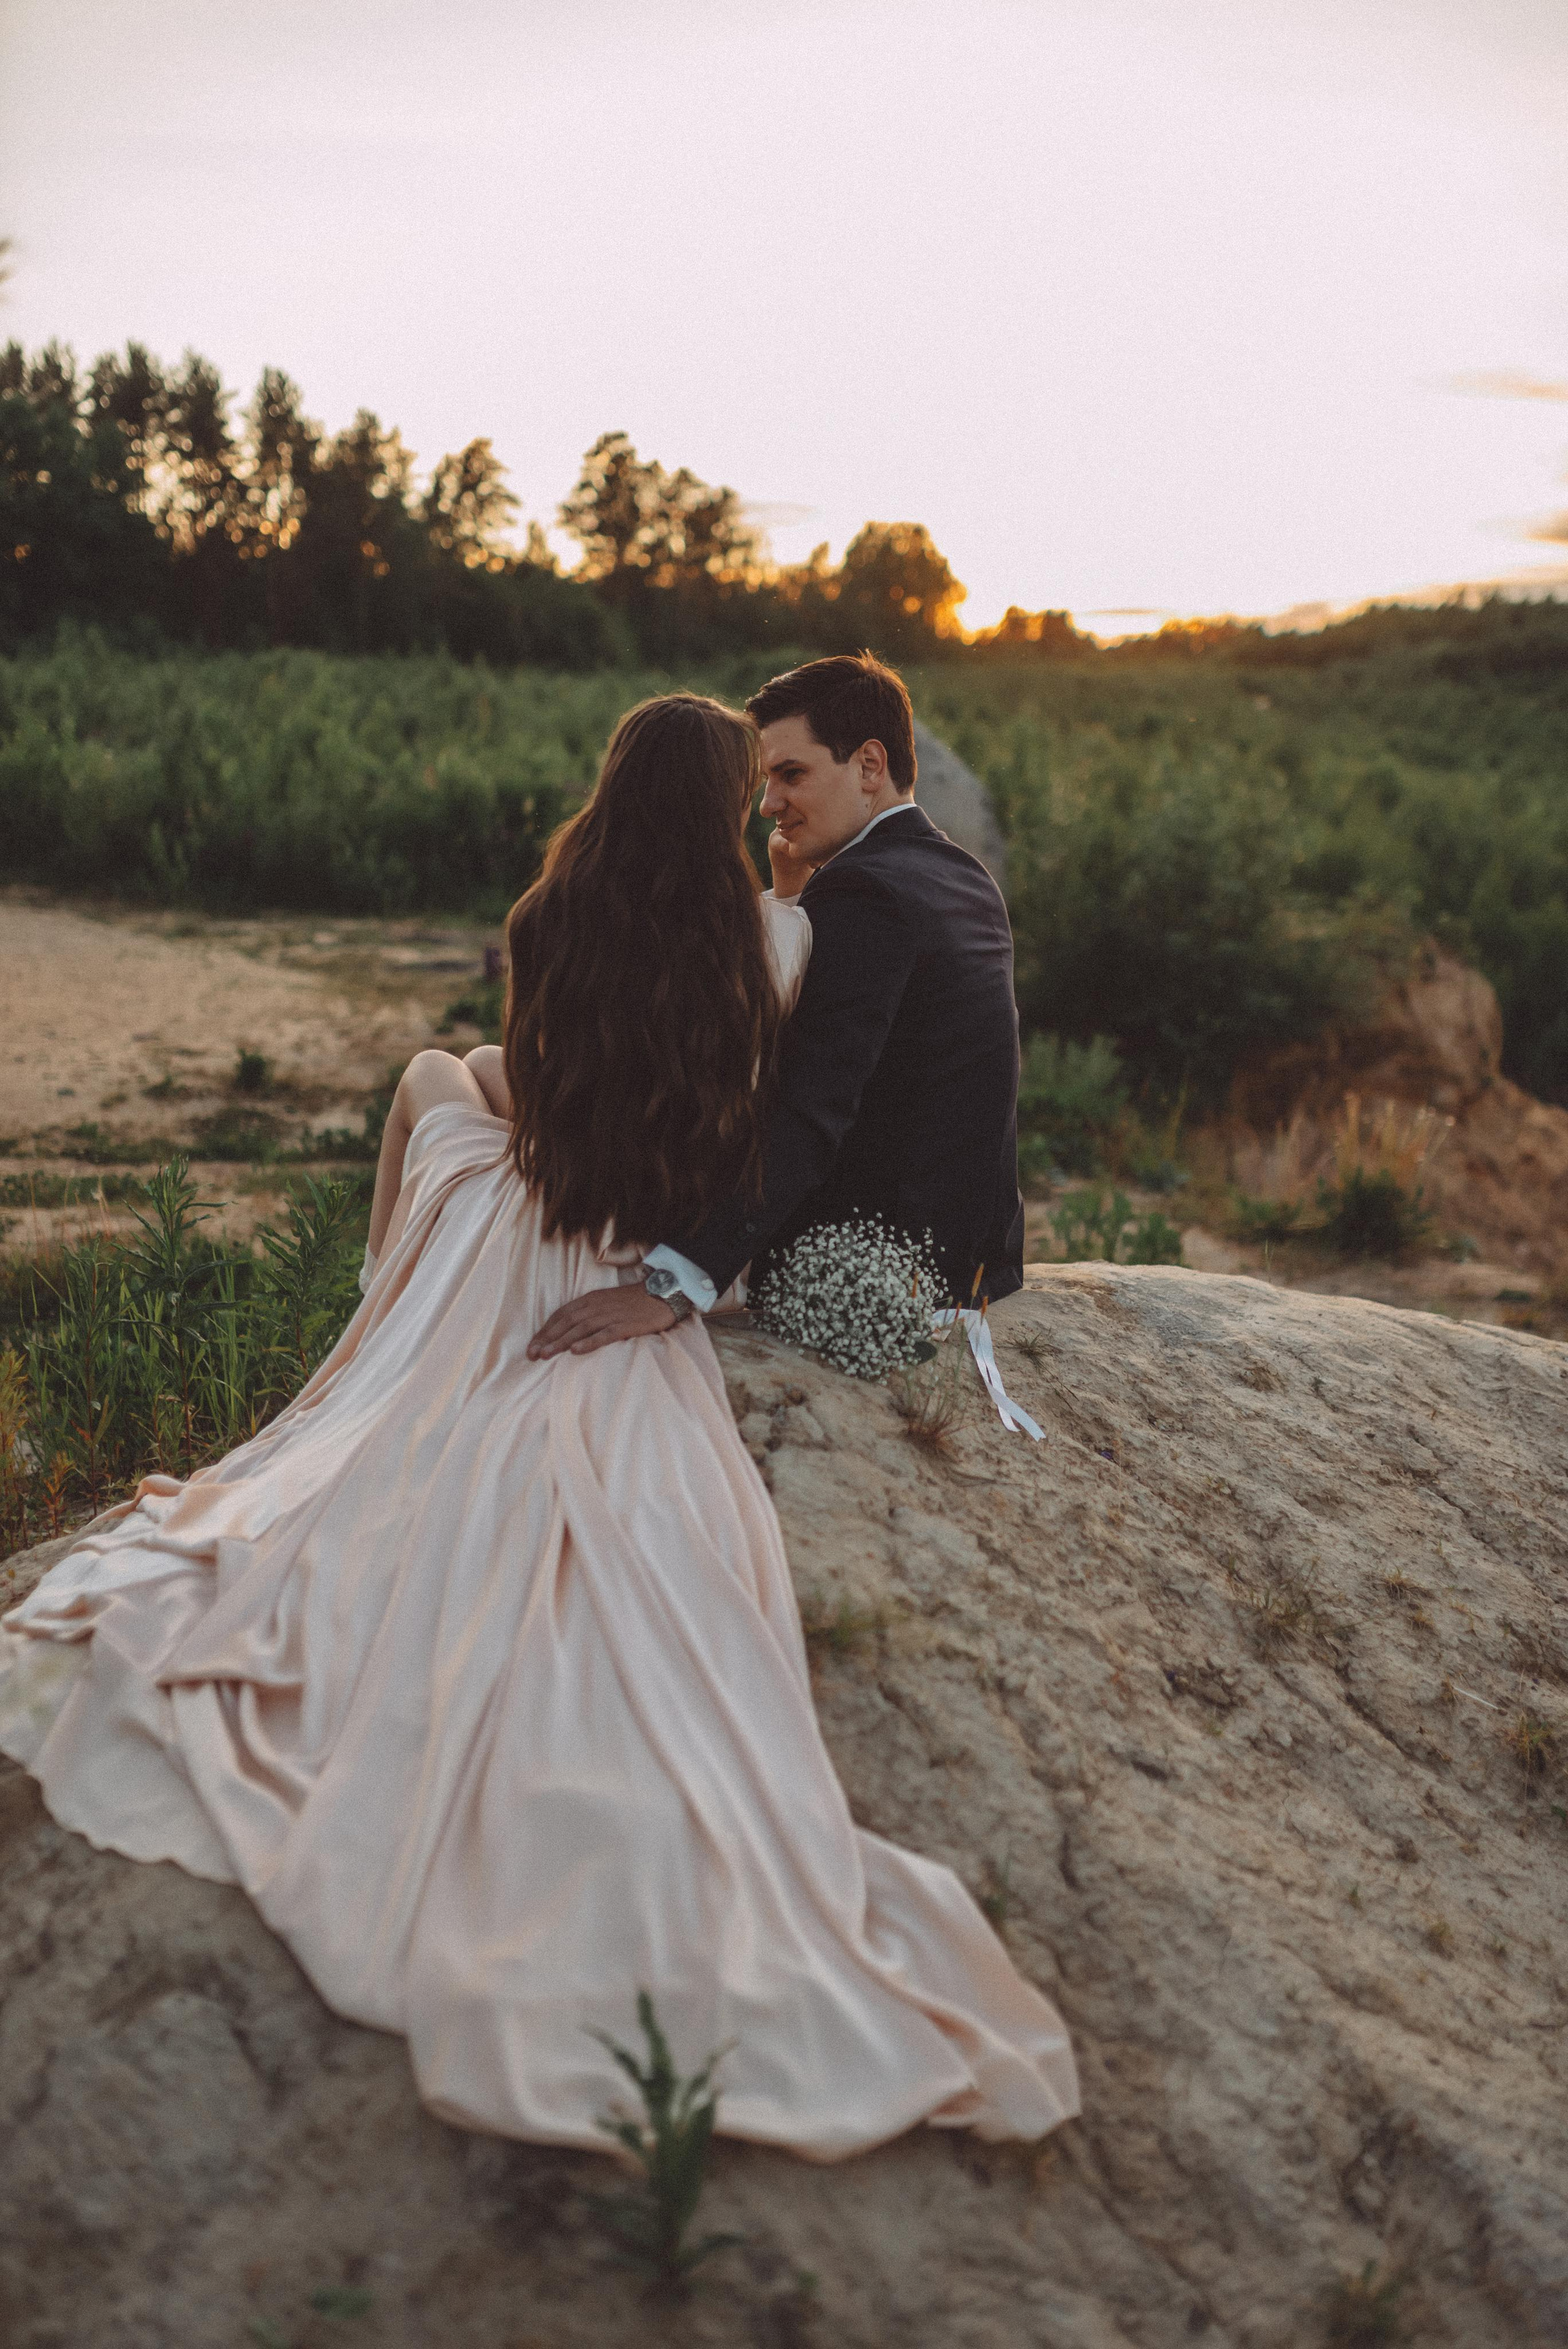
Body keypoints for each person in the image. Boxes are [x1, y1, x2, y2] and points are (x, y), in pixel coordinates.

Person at [0, 693, 1077, 2160]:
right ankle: (403, 1292)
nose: (771, 806)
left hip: (547, 1196)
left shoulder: (545, 913)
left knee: (432, 1086)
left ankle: (392, 1290)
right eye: (749, 790)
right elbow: (753, 1105)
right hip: (649, 1231)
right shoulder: (780, 936)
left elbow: (543, 1097)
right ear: (716, 807)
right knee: (462, 1113)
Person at [530, 652, 1026, 1364]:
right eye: (765, 781)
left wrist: (674, 1285)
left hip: (875, 1265)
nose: (767, 806)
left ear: (868, 765)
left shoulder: (864, 897)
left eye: (791, 775)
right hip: (975, 1256)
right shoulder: (959, 874)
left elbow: (810, 1109)